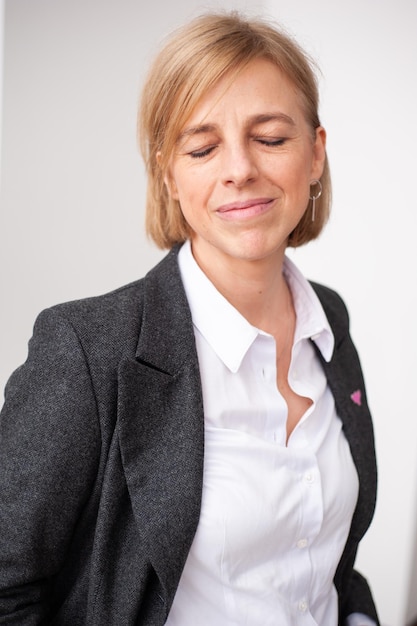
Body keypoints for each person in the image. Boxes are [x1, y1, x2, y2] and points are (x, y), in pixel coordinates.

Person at [0, 11, 379, 626]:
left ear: (315, 153)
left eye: (272, 138)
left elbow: (330, 561)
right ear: (169, 175)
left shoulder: (328, 320)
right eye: (202, 147)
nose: (239, 169)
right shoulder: (87, 352)